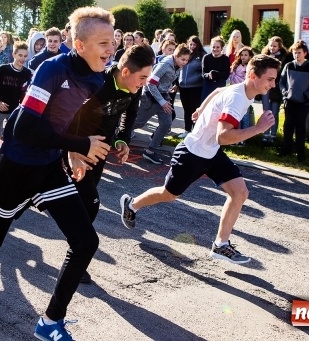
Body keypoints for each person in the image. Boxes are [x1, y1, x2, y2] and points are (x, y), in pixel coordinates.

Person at [0, 7, 115, 341]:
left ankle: (49, 323)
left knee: (86, 241)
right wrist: (78, 143)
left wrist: (80, 149)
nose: (110, 49)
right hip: (16, 166)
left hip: (48, 168)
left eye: (112, 42)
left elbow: (79, 122)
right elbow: (24, 127)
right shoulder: (52, 69)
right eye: (103, 42)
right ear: (79, 44)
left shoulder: (99, 78)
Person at [120, 54, 281, 265]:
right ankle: (131, 205)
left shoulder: (242, 89)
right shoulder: (237, 98)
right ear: (253, 76)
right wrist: (258, 128)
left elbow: (216, 91)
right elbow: (223, 136)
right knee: (168, 195)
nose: (273, 84)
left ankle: (221, 245)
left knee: (240, 192)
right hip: (192, 153)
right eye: (270, 79)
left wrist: (201, 110)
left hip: (211, 153)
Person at [66, 43, 154, 284]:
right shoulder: (97, 83)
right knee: (91, 203)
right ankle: (76, 260)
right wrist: (74, 151)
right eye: (143, 77)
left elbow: (129, 113)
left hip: (101, 149)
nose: (144, 83)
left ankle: (75, 256)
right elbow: (70, 116)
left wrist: (122, 139)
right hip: (79, 147)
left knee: (85, 204)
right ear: (126, 72)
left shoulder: (133, 88)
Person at [132, 43, 191, 164]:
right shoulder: (165, 64)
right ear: (175, 56)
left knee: (166, 123)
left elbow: (166, 79)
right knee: (138, 123)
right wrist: (162, 101)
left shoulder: (178, 66)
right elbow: (150, 83)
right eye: (183, 59)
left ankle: (150, 151)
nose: (185, 62)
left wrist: (171, 86)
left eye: (187, 60)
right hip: (150, 97)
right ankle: (115, 133)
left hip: (163, 95)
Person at [278, 41, 309, 162]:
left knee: (300, 127)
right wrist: (285, 93)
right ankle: (286, 149)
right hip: (290, 101)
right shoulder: (289, 66)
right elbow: (282, 82)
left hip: (303, 102)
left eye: (299, 53)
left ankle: (300, 152)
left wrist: (306, 96)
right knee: (288, 125)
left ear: (305, 53)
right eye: (295, 53)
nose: (296, 55)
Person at [260, 36, 288, 145]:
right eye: (271, 45)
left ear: (279, 47)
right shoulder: (265, 56)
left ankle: (273, 135)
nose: (272, 48)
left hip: (276, 88)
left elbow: (281, 72)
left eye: (275, 46)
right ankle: (265, 134)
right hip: (265, 87)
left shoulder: (284, 57)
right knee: (266, 111)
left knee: (274, 112)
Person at [177, 36, 205, 135]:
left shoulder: (202, 56)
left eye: (194, 44)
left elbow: (203, 71)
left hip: (195, 87)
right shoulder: (185, 54)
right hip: (183, 87)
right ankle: (187, 130)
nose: (192, 46)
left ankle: (196, 130)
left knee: (194, 109)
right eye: (190, 44)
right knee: (186, 109)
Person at [201, 36, 230, 101]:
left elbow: (226, 75)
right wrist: (209, 75)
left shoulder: (225, 59)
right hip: (208, 85)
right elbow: (203, 74)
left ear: (221, 48)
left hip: (220, 85)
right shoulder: (206, 58)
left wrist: (215, 74)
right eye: (213, 47)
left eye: (218, 47)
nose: (215, 49)